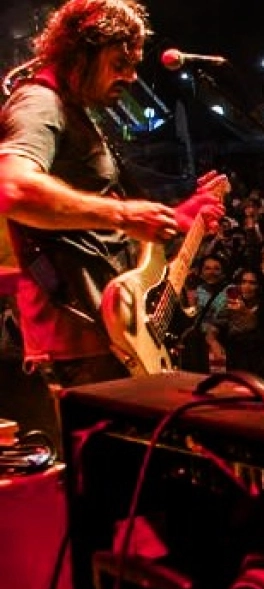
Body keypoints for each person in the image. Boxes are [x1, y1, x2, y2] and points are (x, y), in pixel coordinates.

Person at [0, 0, 226, 391]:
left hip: (110, 335)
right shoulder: (40, 102)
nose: (131, 77)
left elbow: (95, 225)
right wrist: (124, 215)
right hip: (77, 345)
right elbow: (13, 188)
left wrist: (178, 218)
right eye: (120, 63)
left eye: (134, 65)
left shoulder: (77, 113)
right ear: (80, 53)